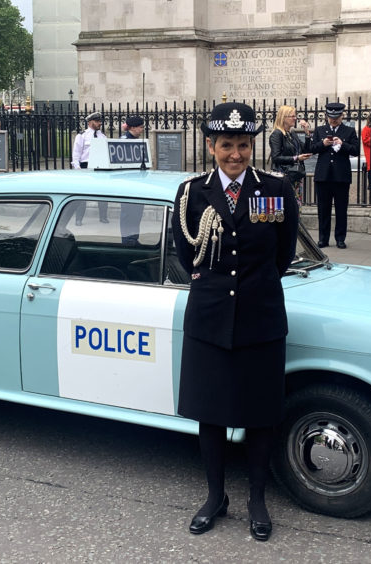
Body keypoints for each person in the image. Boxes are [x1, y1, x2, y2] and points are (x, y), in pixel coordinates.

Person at [172, 102, 298, 542]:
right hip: (209, 319)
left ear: (252, 145)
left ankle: (257, 500)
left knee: (260, 414)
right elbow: (187, 255)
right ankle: (215, 496)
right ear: (211, 146)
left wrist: (252, 289)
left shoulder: (276, 190)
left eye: (243, 145)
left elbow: (281, 256)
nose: (236, 155)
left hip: (260, 317)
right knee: (211, 414)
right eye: (227, 145)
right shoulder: (191, 193)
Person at [311, 102, 359, 248]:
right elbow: (312, 149)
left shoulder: (349, 131)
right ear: (326, 116)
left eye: (336, 117)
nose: (333, 120)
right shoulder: (320, 130)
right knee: (323, 209)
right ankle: (323, 238)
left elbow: (356, 150)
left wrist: (342, 144)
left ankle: (340, 238)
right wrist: (323, 144)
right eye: (331, 117)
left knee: (341, 209)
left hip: (341, 176)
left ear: (342, 116)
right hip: (323, 176)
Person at [269, 105, 312, 206]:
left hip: (295, 175)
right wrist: (296, 158)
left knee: (296, 204)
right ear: (284, 117)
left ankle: (296, 221)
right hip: (284, 176)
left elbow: (306, 149)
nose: (295, 118)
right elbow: (275, 157)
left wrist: (307, 133)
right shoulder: (277, 134)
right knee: (287, 205)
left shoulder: (292, 133)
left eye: (295, 116)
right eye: (292, 116)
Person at [71, 112, 108, 224]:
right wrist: (77, 168)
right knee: (82, 194)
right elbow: (76, 153)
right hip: (85, 166)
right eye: (97, 121)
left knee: (102, 193)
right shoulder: (82, 135)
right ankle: (79, 219)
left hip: (99, 167)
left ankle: (103, 217)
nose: (99, 123)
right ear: (90, 122)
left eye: (100, 121)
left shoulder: (102, 136)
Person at [120, 116, 146, 244]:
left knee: (137, 213)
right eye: (141, 127)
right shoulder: (124, 141)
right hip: (127, 184)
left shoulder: (136, 140)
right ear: (133, 127)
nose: (142, 130)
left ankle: (134, 238)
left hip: (137, 182)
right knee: (128, 213)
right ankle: (127, 240)